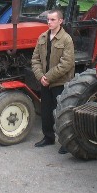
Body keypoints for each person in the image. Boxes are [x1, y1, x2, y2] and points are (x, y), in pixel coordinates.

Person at [31, 9, 75, 153]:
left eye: (52, 20)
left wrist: (48, 77)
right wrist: (40, 76)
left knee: (61, 113)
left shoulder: (66, 39)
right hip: (45, 81)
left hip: (59, 82)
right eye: (48, 20)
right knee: (45, 111)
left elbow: (66, 63)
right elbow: (35, 59)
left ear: (60, 21)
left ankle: (65, 142)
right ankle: (48, 137)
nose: (49, 22)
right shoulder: (42, 37)